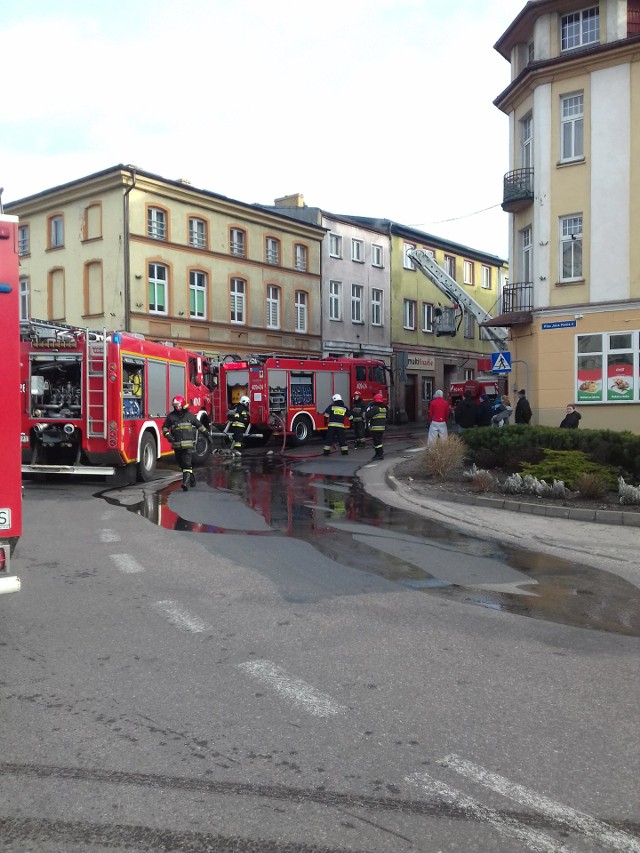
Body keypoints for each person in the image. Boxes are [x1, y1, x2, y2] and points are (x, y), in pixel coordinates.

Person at [162, 395, 209, 490]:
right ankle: (192, 478)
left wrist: (207, 434)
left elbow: (199, 425)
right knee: (181, 465)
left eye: (178, 405)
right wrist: (168, 435)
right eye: (175, 406)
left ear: (182, 404)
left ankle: (185, 483)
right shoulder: (171, 417)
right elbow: (165, 427)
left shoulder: (190, 416)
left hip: (188, 446)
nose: (176, 407)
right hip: (177, 446)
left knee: (187, 464)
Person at [365, 392, 387, 460]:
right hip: (382, 428)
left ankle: (379, 454)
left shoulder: (375, 408)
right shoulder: (384, 409)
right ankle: (379, 453)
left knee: (377, 442)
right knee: (379, 441)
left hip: (375, 428)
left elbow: (367, 415)